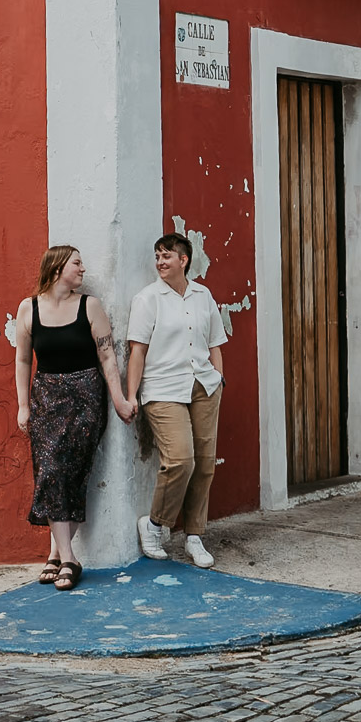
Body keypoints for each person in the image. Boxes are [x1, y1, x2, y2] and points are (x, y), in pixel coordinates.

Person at [15, 244, 136, 591]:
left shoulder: (90, 306)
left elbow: (107, 357)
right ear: (57, 269)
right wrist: (23, 405)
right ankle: (69, 558)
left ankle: (58, 554)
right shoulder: (28, 308)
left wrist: (119, 400)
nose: (83, 269)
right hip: (45, 398)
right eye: (77, 263)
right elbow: (23, 360)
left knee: (73, 476)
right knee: (50, 472)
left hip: (86, 398)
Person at [126, 231, 226, 569]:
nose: (160, 261)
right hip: (163, 388)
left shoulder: (203, 295)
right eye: (157, 256)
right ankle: (155, 524)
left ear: (184, 260)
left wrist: (219, 379)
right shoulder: (147, 299)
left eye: (166, 255)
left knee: (205, 463)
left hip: (204, 386)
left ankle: (194, 536)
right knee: (181, 460)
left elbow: (215, 343)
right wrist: (131, 395)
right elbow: (137, 351)